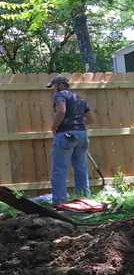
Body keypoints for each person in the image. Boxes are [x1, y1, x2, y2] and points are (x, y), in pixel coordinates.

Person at [46, 75, 93, 206]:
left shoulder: (60, 95)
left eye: (55, 87)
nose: (54, 90)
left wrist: (54, 127)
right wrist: (77, 124)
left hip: (65, 135)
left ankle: (59, 202)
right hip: (82, 134)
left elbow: (61, 111)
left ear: (61, 85)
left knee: (59, 169)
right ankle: (84, 200)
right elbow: (90, 119)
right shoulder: (79, 98)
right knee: (81, 167)